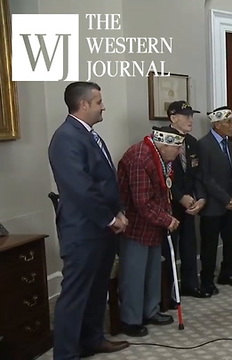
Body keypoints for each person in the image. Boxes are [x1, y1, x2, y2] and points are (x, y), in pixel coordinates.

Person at [49, 81, 130, 359]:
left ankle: (92, 339)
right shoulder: (66, 138)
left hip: (102, 228)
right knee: (75, 295)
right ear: (83, 104)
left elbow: (105, 180)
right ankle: (67, 353)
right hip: (82, 231)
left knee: (97, 289)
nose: (103, 106)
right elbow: (80, 188)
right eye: (98, 102)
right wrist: (109, 218)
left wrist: (118, 211)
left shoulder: (88, 134)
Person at [117, 126, 182, 337]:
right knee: (134, 275)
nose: (180, 152)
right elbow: (142, 202)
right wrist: (167, 220)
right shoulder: (139, 158)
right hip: (135, 226)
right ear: (164, 145)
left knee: (152, 271)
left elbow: (163, 191)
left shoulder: (162, 158)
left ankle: (150, 311)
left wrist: (167, 215)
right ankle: (130, 320)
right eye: (177, 147)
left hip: (153, 225)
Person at [163, 101, 211, 299]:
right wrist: (180, 196)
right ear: (174, 118)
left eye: (191, 115)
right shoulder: (163, 140)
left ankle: (191, 284)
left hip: (191, 203)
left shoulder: (192, 142)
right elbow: (163, 175)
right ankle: (170, 292)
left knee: (190, 245)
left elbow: (198, 174)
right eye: (186, 116)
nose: (191, 120)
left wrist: (200, 198)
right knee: (170, 249)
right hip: (170, 204)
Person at [198, 106, 232, 294]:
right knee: (209, 245)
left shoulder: (230, 144)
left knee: (231, 240)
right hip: (213, 205)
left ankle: (228, 273)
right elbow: (205, 177)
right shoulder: (204, 144)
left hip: (231, 203)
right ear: (217, 124)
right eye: (229, 122)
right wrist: (225, 198)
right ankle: (207, 280)